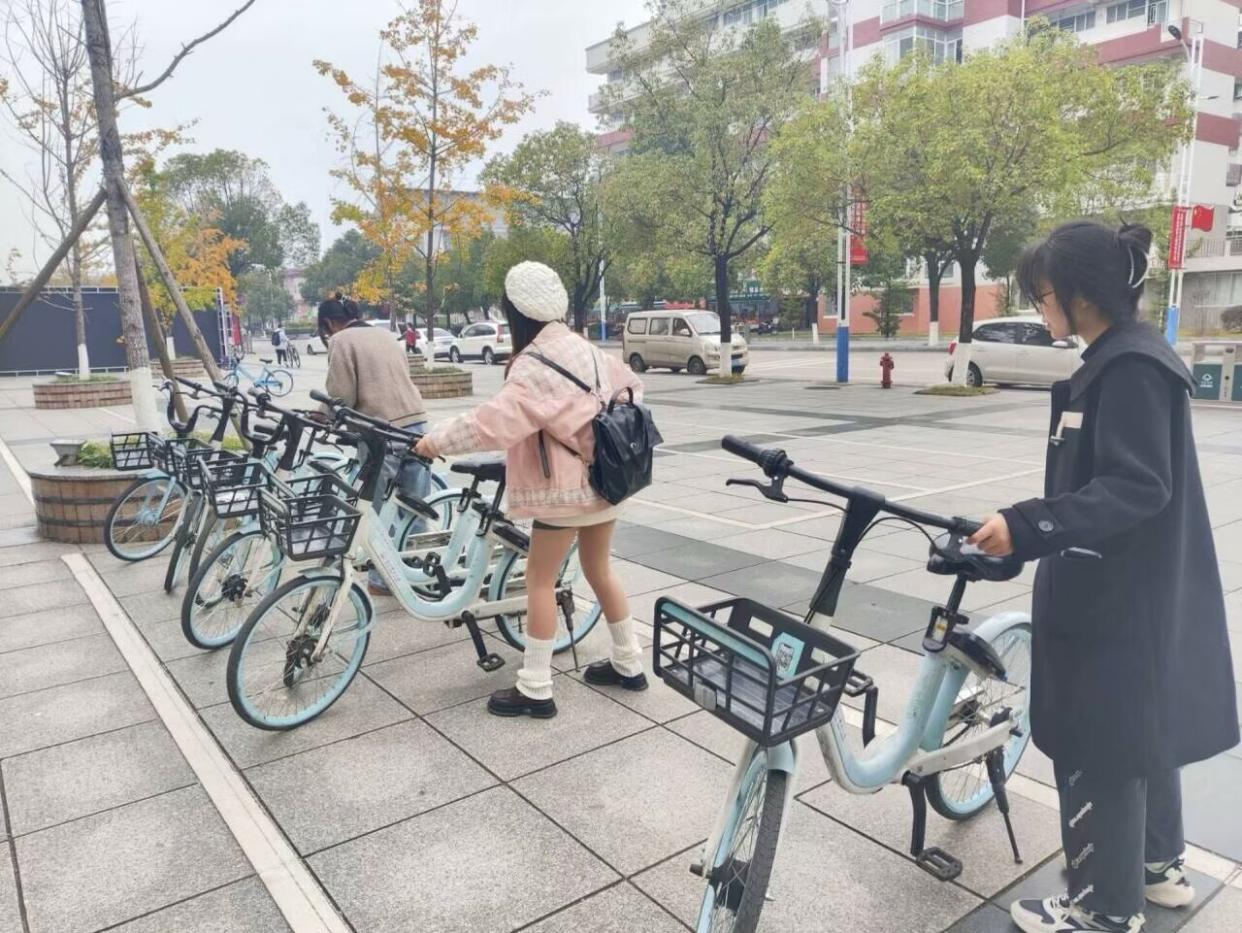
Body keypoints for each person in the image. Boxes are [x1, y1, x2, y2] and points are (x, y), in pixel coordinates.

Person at [967, 222, 1238, 933]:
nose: (1041, 309)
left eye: (1043, 295)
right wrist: (1031, 530)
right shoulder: (1125, 359)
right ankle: (1156, 869)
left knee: (1101, 745)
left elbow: (1135, 486)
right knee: (1143, 735)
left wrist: (1027, 525)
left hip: (1115, 601)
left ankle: (1103, 910)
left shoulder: (1129, 369)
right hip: (1133, 591)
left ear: (1082, 295)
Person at [414, 262, 646, 720]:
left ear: (515, 311)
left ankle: (536, 687)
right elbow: (635, 390)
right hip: (609, 481)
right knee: (600, 569)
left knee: (540, 579)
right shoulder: (588, 350)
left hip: (564, 493)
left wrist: (434, 442)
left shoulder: (533, 364)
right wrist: (588, 428)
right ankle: (629, 663)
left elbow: (491, 424)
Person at [317, 296, 430, 596]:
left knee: (374, 509)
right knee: (413, 505)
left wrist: (325, 415)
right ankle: (414, 571)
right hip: (416, 424)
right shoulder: (385, 335)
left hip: (381, 431)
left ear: (329, 323)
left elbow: (341, 394)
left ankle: (383, 580)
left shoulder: (341, 341)